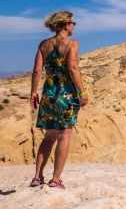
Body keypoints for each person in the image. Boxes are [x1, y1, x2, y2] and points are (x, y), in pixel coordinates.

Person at [29, 10, 89, 189]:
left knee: (49, 136)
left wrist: (33, 92)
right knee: (65, 135)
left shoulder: (44, 45)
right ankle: (55, 179)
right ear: (64, 24)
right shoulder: (72, 44)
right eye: (72, 23)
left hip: (49, 94)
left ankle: (37, 177)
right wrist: (82, 92)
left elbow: (37, 71)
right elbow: (72, 68)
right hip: (66, 94)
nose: (74, 26)